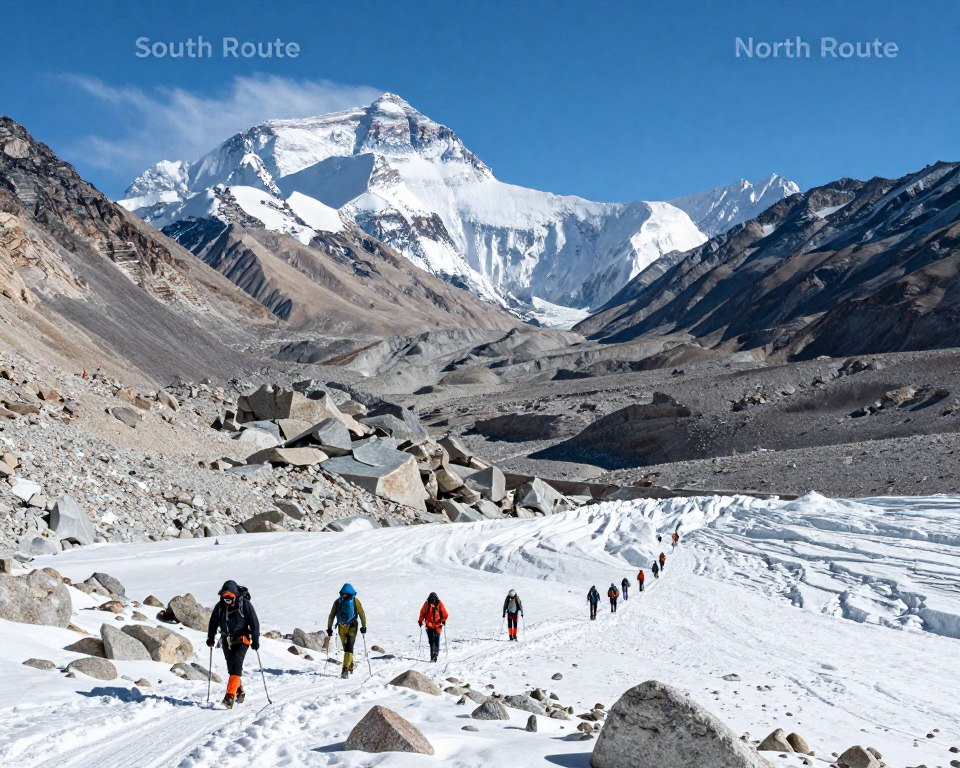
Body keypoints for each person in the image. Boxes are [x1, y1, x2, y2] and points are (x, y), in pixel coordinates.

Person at [206, 580, 260, 709]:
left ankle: (229, 697)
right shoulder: (219, 606)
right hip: (226, 640)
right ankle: (239, 690)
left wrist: (255, 640)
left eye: (230, 597)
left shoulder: (245, 604)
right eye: (225, 597)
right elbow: (213, 623)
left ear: (235, 595)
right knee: (231, 668)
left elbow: (254, 623)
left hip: (242, 639)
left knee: (236, 664)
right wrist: (210, 638)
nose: (227, 599)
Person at [327, 583, 367, 679]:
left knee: (348, 647)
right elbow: (361, 613)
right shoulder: (355, 601)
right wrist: (364, 626)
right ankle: (350, 666)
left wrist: (329, 628)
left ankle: (345, 669)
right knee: (347, 648)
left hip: (343, 627)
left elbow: (331, 615)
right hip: (352, 625)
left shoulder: (338, 601)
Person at [418, 592, 448, 662]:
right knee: (436, 640)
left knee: (432, 641)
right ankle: (435, 654)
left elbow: (422, 613)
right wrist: (443, 620)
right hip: (437, 625)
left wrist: (420, 621)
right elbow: (445, 613)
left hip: (430, 625)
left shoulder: (427, 603)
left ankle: (433, 655)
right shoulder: (439, 603)